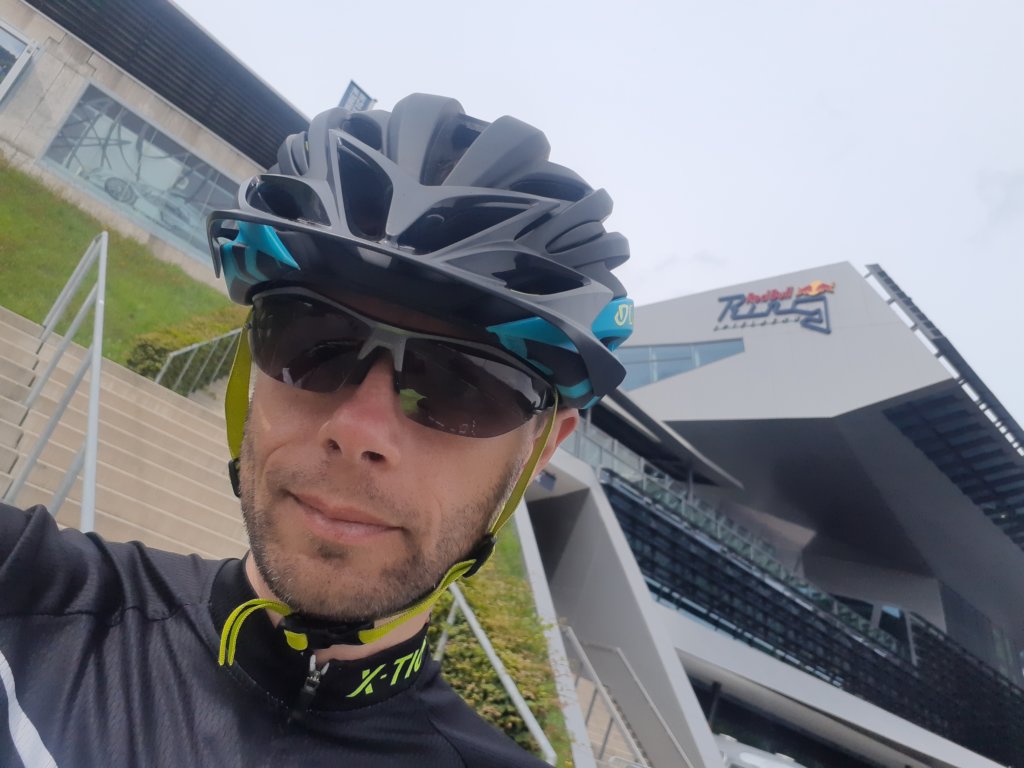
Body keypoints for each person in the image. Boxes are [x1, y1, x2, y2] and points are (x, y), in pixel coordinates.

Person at [0, 93, 633, 767]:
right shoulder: (27, 596)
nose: (358, 430)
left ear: (542, 449)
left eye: (462, 385)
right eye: (310, 341)